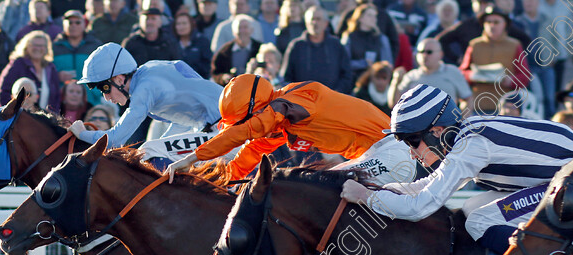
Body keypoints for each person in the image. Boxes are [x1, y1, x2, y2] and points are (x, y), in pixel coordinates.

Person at [339, 84, 573, 255]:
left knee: (479, 219)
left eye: (412, 140)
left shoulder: (470, 146)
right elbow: (428, 186)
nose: (410, 151)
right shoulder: (465, 135)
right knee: (471, 208)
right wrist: (378, 189)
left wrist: (366, 197)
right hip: (566, 178)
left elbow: (420, 207)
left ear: (436, 131)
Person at [165, 73, 414, 184]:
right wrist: (209, 183)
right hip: (378, 157)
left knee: (321, 188)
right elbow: (243, 161)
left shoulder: (297, 98)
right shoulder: (279, 126)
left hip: (393, 151)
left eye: (243, 121)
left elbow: (245, 132)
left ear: (257, 109)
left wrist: (191, 158)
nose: (245, 127)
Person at [71, 42, 224, 146]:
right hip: (221, 121)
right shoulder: (149, 70)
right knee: (153, 151)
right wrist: (160, 145)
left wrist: (82, 134)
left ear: (118, 79)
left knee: (152, 154)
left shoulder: (144, 88)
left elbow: (114, 141)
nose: (106, 97)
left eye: (104, 88)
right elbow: (182, 120)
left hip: (226, 124)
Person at [459, 7, 528, 115]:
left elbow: (525, 76)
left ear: (504, 24)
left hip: (504, 109)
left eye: (496, 22)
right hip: (478, 106)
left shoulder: (514, 45)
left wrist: (510, 80)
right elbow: (461, 73)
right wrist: (471, 75)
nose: (492, 25)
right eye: (488, 22)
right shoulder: (474, 45)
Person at [388, 37, 471, 114]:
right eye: (421, 52)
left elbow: (468, 99)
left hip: (446, 126)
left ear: (441, 54)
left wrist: (460, 122)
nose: (424, 55)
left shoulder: (452, 72)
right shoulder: (411, 76)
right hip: (418, 127)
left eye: (429, 52)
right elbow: (394, 104)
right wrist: (395, 81)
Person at [281, 6, 353, 94]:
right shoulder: (296, 46)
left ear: (326, 23)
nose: (315, 22)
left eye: (318, 19)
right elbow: (285, 77)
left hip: (332, 100)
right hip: (302, 102)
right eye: (312, 19)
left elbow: (347, 75)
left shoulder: (336, 45)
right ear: (306, 23)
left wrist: (336, 92)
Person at [0, 31, 61, 112]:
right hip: (20, 119)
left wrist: (53, 118)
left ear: (47, 49)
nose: (37, 48)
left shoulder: (50, 68)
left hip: (44, 121)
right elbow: (3, 93)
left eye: (41, 46)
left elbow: (56, 97)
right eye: (34, 45)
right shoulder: (17, 64)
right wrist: (11, 113)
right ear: (26, 46)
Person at [52, 10, 102, 105]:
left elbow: (104, 72)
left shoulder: (96, 46)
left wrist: (96, 93)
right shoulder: (53, 47)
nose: (73, 25)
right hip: (61, 103)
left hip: (91, 102)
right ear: (63, 25)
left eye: (78, 22)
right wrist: (57, 76)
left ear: (84, 24)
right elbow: (46, 71)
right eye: (70, 22)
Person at [341, 4, 393, 81]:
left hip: (375, 81)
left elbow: (387, 64)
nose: (373, 19)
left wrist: (376, 66)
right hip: (352, 79)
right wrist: (363, 63)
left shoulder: (381, 39)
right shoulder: (349, 37)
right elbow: (343, 63)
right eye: (369, 15)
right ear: (360, 18)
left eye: (375, 16)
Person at [212, 14, 261, 85]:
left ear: (251, 30)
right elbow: (215, 73)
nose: (242, 31)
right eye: (239, 28)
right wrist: (223, 78)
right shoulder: (224, 51)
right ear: (234, 32)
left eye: (245, 27)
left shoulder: (260, 49)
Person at [173, 10, 213, 79]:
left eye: (184, 23)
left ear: (191, 24)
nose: (181, 27)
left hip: (198, 81)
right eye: (178, 24)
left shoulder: (202, 41)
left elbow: (207, 65)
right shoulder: (171, 43)